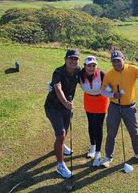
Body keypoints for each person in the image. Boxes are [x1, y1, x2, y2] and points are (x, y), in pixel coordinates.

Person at [100, 51, 138, 168]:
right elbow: (103, 91)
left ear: (123, 59)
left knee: (134, 132)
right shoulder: (109, 74)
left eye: (118, 60)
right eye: (114, 61)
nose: (116, 63)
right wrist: (113, 95)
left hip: (129, 108)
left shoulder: (132, 69)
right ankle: (108, 156)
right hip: (114, 107)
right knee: (111, 133)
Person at [44, 49, 81, 178]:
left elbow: (88, 76)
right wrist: (66, 102)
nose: (73, 61)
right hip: (53, 107)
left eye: (76, 59)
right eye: (70, 58)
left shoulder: (78, 70)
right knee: (60, 134)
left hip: (67, 107)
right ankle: (60, 165)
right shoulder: (58, 71)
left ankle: (61, 146)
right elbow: (58, 87)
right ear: (65, 59)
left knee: (64, 131)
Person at [78, 56, 110, 167]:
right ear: (84, 65)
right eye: (89, 65)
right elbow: (68, 81)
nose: (91, 68)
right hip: (89, 100)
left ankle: (97, 152)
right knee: (91, 124)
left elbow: (110, 85)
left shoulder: (101, 74)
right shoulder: (80, 76)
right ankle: (92, 146)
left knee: (99, 126)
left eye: (93, 65)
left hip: (101, 100)